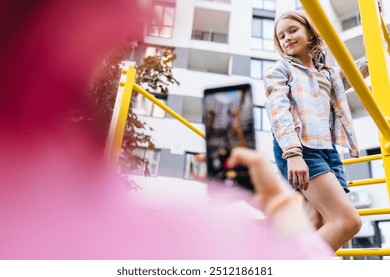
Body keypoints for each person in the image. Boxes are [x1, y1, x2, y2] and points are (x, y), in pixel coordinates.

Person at [0, 0, 332, 260]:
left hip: (323, 148)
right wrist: (278, 201)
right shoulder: (203, 241)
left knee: (321, 218)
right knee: (343, 221)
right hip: (304, 151)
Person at [263, 10, 369, 252]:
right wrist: (293, 153)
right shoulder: (280, 70)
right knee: (348, 221)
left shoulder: (328, 74)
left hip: (327, 151)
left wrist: (374, 29)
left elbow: (359, 71)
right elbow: (278, 111)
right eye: (281, 36)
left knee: (317, 221)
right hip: (299, 148)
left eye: (293, 30)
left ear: (310, 33)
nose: (287, 38)